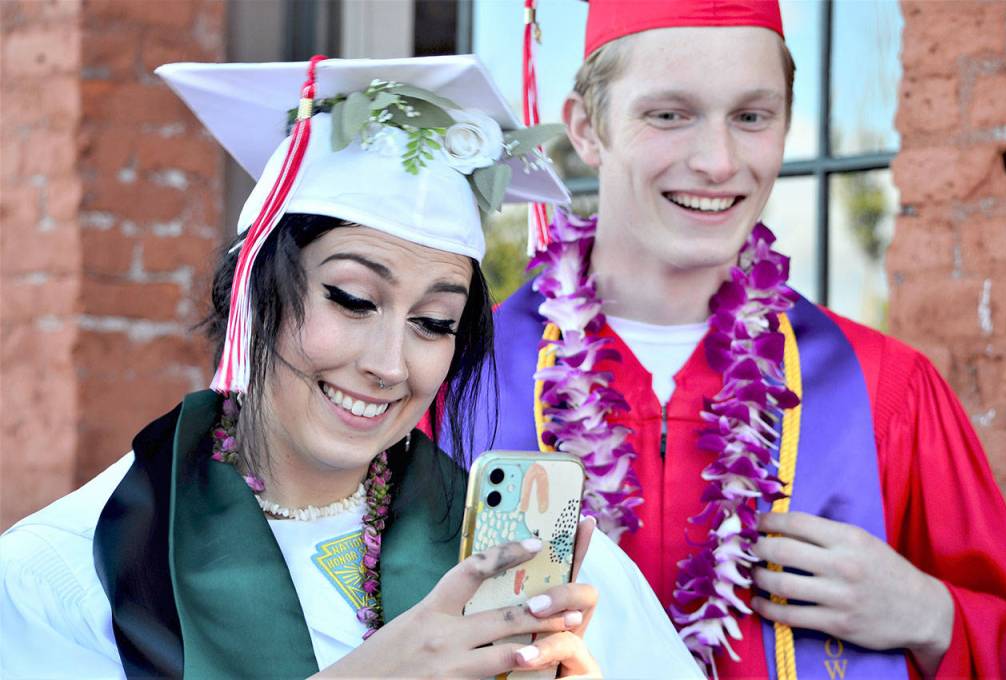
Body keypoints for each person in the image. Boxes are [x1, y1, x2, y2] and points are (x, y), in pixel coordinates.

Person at [0, 55, 704, 679]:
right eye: (354, 299)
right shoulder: (65, 571)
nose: (389, 364)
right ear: (254, 287)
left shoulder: (530, 568)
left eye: (434, 323)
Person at [442, 2, 1006, 678]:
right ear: (586, 129)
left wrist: (932, 616)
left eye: (751, 117)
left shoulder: (882, 390)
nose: (718, 163)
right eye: (669, 114)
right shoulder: (463, 381)